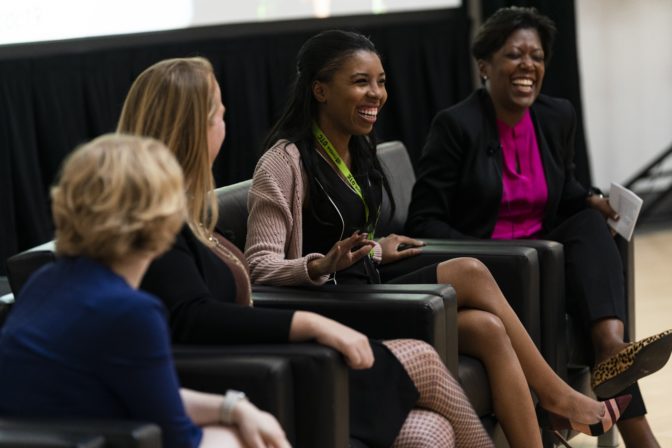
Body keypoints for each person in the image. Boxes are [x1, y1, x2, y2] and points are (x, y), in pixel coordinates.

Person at [244, 29, 632, 448]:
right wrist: (318, 266)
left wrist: (375, 248)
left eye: (381, 81)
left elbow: (349, 242)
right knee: (468, 270)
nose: (376, 93)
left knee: (487, 328)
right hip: (332, 312)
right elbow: (257, 266)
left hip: (368, 293)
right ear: (320, 89)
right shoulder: (282, 163)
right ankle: (555, 396)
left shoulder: (358, 149)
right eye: (361, 82)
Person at [117, 56, 494, 448]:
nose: (224, 126)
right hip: (246, 376)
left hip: (265, 362)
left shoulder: (182, 210)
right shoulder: (152, 221)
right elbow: (192, 318)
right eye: (219, 115)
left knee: (431, 433)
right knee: (422, 359)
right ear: (194, 128)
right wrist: (311, 325)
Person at [405, 6, 672, 447]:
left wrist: (589, 199)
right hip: (493, 268)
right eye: (514, 55)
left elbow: (561, 186)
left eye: (538, 56)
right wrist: (501, 256)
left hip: (543, 261)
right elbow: (424, 221)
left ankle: (611, 347)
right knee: (560, 264)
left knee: (589, 225)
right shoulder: (456, 126)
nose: (528, 65)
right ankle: (638, 432)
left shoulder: (556, 116)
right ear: (485, 66)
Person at [0, 134, 290, 448]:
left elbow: (154, 396)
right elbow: (179, 438)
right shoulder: (130, 311)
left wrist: (233, 408)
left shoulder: (47, 281)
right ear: (162, 218)